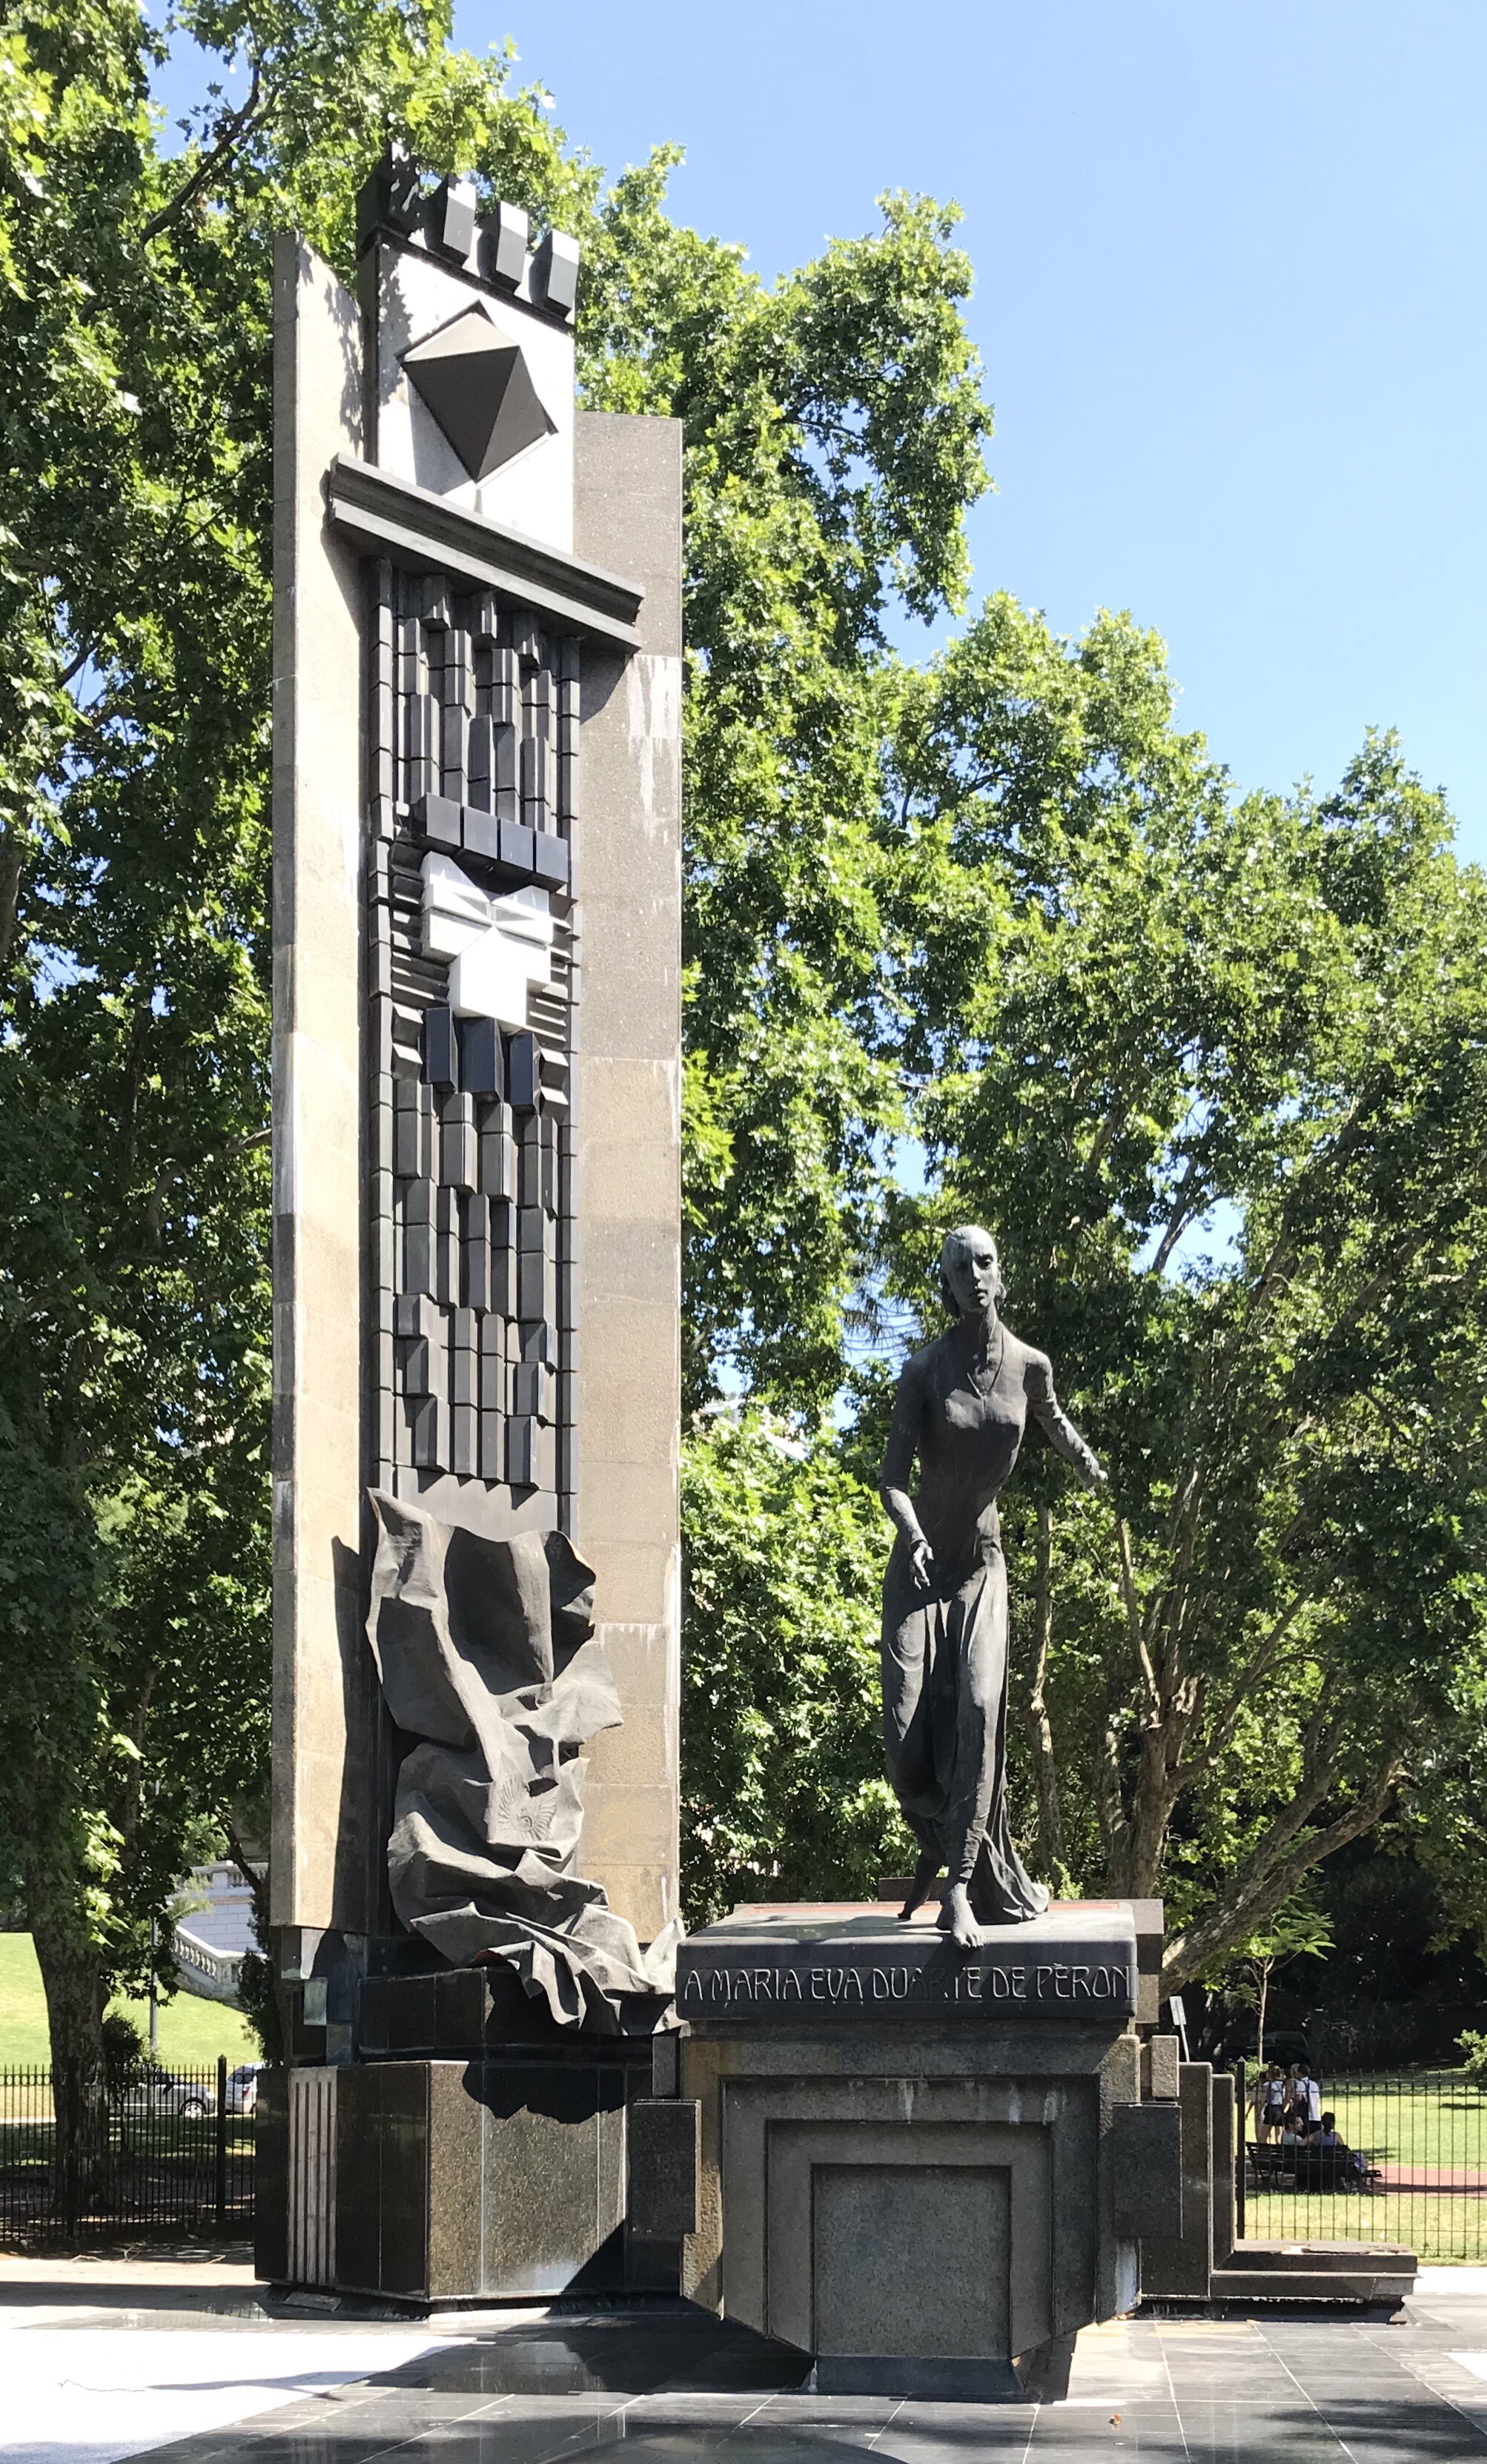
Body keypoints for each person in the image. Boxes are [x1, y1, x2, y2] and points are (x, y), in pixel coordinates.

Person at [878, 1225, 1107, 1950]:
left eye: (984, 1262)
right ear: (945, 1284)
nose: (974, 1274)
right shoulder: (923, 1370)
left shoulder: (1030, 1365)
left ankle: (959, 1885)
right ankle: (941, 1838)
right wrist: (913, 1534)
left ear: (999, 1273)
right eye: (960, 1267)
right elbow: (890, 1480)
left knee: (978, 1708)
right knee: (904, 1746)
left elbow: (1054, 1421)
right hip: (920, 1569)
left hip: (981, 1564)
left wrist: (1089, 1466)